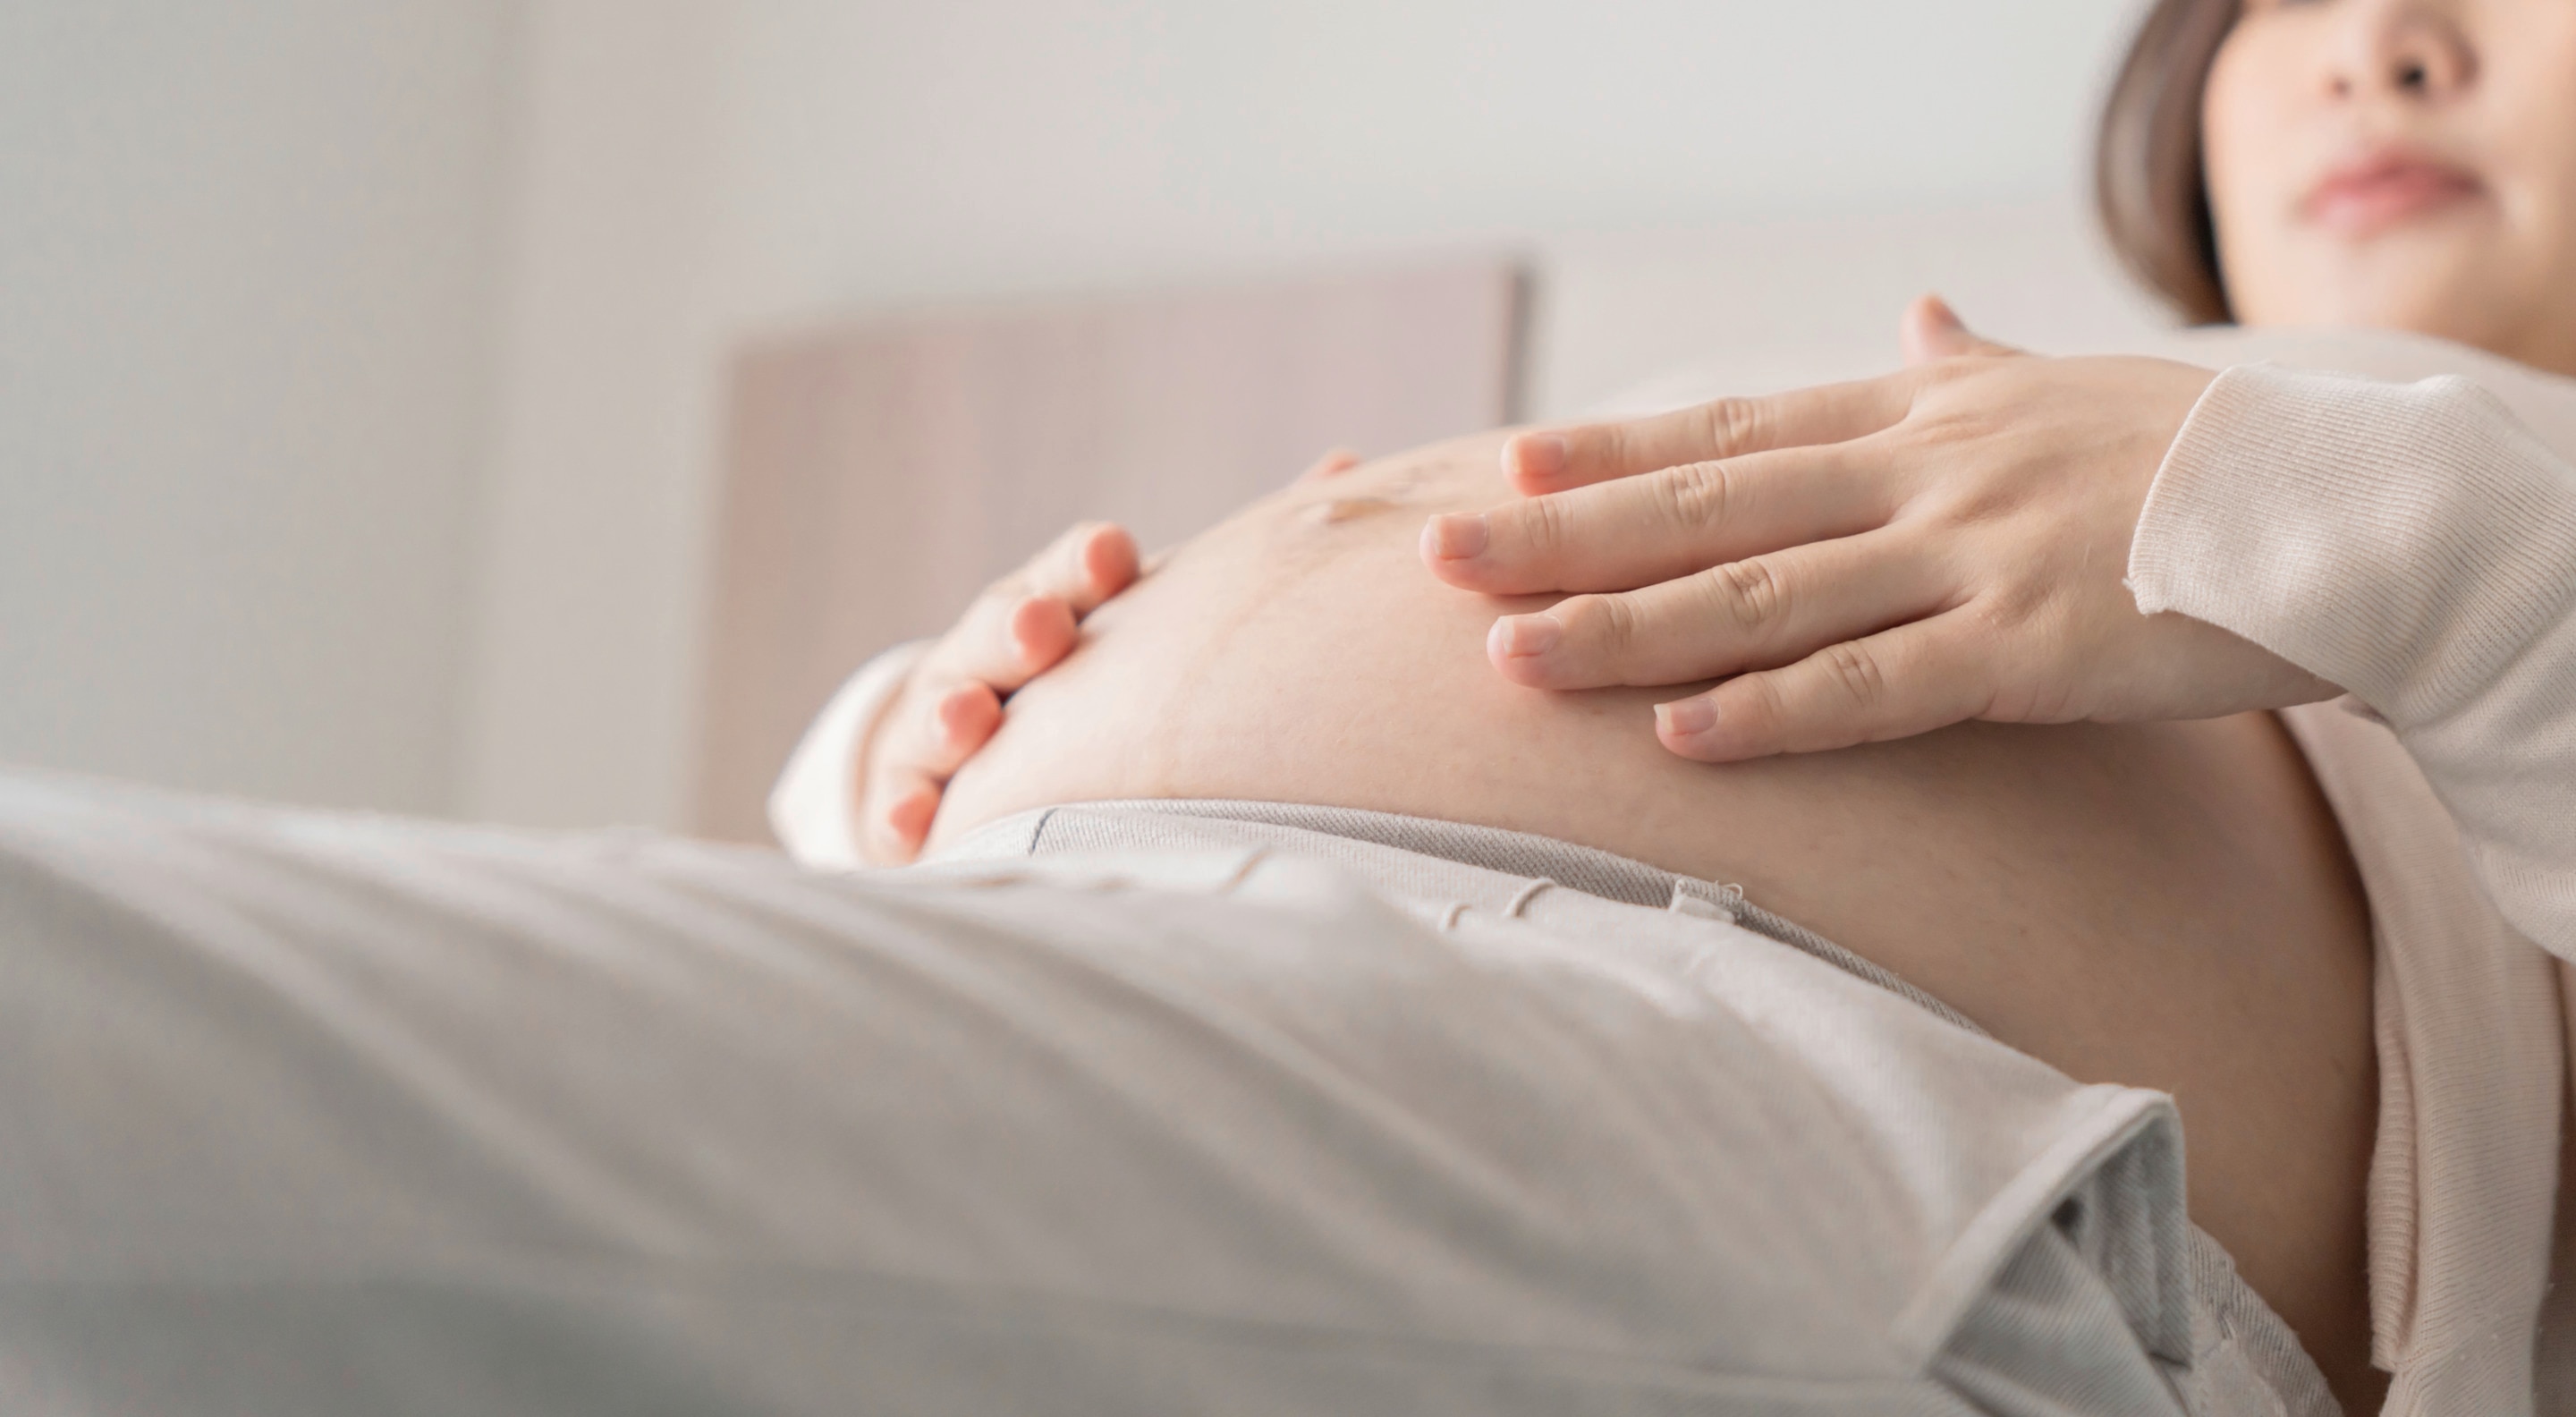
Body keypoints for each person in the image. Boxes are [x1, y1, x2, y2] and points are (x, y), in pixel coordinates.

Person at [776, 0, 2576, 1411]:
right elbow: (818, 803)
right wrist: (919, 734)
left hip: (1860, 1170)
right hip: (1027, 939)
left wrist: (2319, 518)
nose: (2378, 42)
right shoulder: (1956, 378)